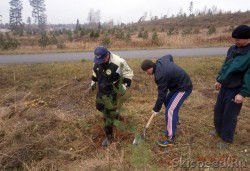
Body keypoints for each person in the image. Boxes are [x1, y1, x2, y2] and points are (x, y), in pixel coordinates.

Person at [141, 55, 192, 147]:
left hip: (183, 87)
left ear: (150, 68)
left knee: (170, 110)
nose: (146, 73)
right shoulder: (161, 60)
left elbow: (162, 95)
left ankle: (170, 139)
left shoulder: (160, 76)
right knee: (167, 101)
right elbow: (170, 56)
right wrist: (172, 70)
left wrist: (156, 109)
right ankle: (174, 120)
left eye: (146, 71)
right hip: (176, 87)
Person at [213, 25, 250, 148]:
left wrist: (242, 93)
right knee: (219, 109)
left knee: (230, 114)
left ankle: (226, 138)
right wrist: (219, 80)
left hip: (236, 89)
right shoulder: (232, 49)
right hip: (225, 86)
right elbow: (226, 65)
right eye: (234, 39)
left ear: (247, 38)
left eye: (238, 39)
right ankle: (218, 131)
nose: (236, 42)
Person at [90, 46, 134, 147]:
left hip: (113, 90)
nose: (100, 61)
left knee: (107, 114)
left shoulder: (118, 62)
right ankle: (116, 115)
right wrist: (93, 81)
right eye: (98, 60)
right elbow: (95, 72)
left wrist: (125, 85)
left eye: (102, 59)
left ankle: (109, 137)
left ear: (107, 55)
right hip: (101, 89)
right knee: (99, 107)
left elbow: (128, 73)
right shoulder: (97, 61)